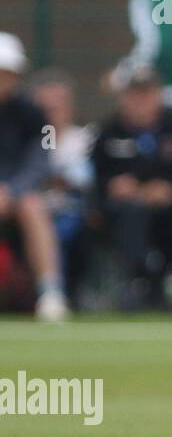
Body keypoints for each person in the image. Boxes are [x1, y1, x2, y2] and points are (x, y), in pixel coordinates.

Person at [90, 65, 172, 310]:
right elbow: (96, 178)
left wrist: (168, 189)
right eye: (133, 94)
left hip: (167, 209)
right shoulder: (108, 130)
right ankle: (134, 281)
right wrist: (114, 186)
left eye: (146, 94)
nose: (140, 101)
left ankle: (167, 279)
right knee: (131, 214)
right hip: (122, 210)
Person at [0, 33, 67, 320]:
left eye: (9, 74)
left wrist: (11, 192)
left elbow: (39, 162)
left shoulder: (32, 114)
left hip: (17, 199)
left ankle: (50, 293)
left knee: (33, 206)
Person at [29, 68, 95, 306]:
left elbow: (86, 181)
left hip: (74, 213)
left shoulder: (86, 138)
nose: (51, 113)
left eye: (58, 106)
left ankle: (62, 293)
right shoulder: (24, 141)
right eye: (45, 107)